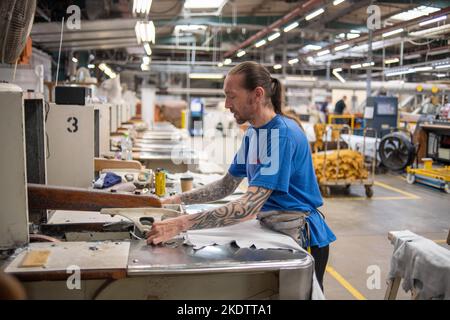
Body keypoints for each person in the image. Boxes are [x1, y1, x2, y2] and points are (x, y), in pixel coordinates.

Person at [147, 61, 336, 291]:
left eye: (231, 96)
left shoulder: (281, 135)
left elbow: (248, 207)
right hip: (272, 227)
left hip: (300, 237)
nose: (226, 105)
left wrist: (180, 224)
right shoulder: (254, 134)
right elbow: (226, 185)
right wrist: (173, 202)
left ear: (257, 95)